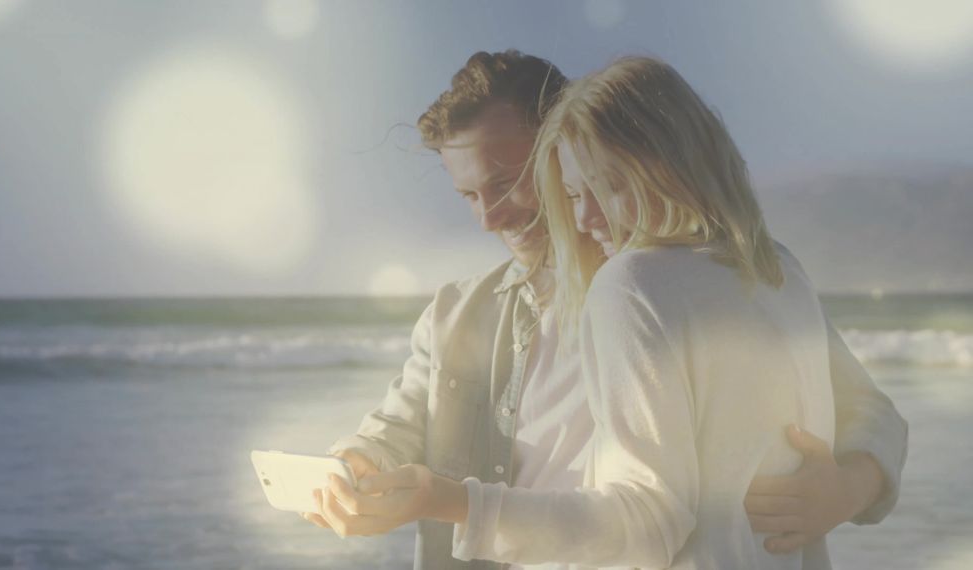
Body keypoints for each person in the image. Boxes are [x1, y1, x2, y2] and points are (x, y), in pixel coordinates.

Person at [302, 51, 907, 570]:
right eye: (468, 195)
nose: (489, 216)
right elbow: (398, 427)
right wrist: (350, 466)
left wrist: (851, 487)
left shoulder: (712, 279)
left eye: (508, 182)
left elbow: (864, 407)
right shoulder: (459, 312)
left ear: (569, 145)